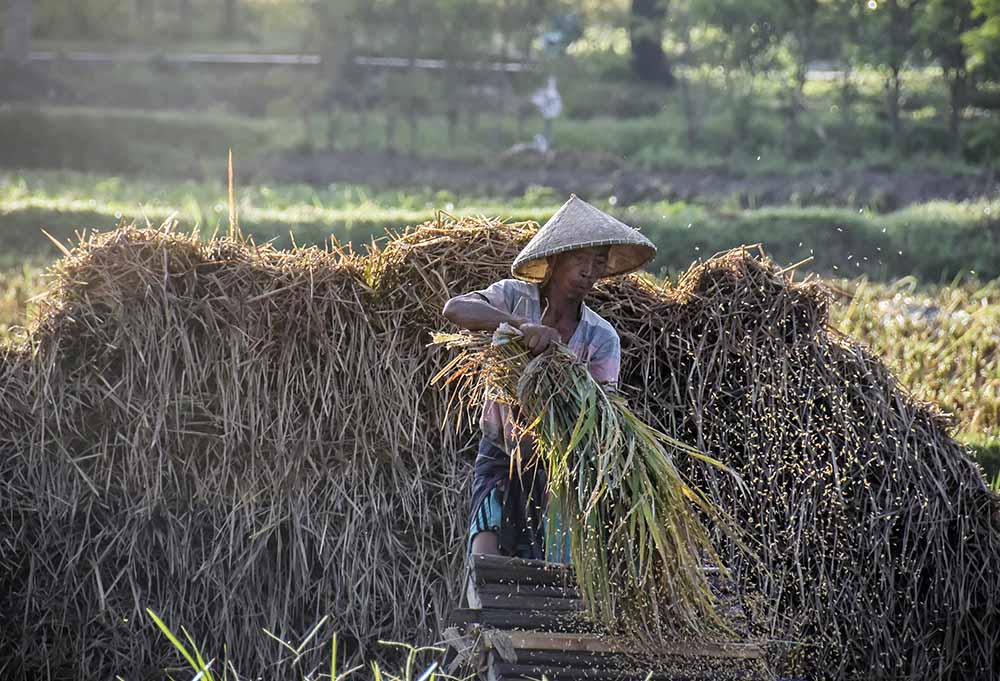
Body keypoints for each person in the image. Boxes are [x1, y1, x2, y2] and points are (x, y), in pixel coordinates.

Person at [442, 194, 656, 563]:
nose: (589, 272)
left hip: (560, 465)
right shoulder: (513, 297)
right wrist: (520, 325)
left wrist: (562, 375)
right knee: (486, 552)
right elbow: (455, 309)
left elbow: (602, 412)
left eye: (598, 262)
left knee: (553, 562)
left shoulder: (600, 337)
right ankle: (482, 599)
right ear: (555, 260)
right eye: (580, 259)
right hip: (501, 449)